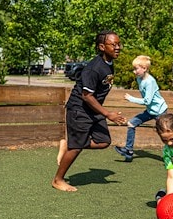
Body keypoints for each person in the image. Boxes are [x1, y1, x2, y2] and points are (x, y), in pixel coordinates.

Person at [53, 30, 127, 192]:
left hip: (93, 110)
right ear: (102, 46)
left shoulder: (108, 64)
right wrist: (108, 114)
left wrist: (102, 112)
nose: (117, 47)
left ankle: (69, 145)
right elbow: (86, 96)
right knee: (77, 147)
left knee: (104, 141)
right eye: (113, 44)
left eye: (119, 44)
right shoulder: (93, 68)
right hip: (79, 109)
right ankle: (58, 180)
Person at [115, 55, 168, 162]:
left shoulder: (150, 82)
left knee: (166, 133)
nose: (134, 71)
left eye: (136, 69)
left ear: (144, 69)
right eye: (134, 69)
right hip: (150, 111)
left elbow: (147, 100)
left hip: (160, 111)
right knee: (131, 123)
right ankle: (129, 150)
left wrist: (131, 99)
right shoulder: (139, 79)